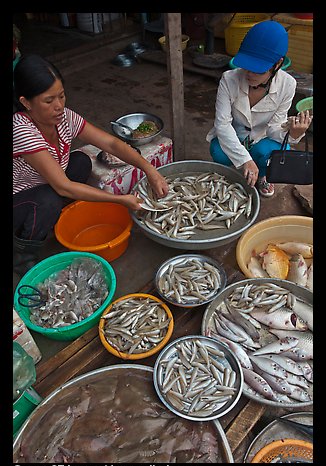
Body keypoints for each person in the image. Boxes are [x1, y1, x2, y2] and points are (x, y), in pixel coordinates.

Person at [13, 54, 169, 276]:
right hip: (21, 197)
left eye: (62, 96)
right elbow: (63, 186)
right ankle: (23, 255)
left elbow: (111, 143)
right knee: (49, 199)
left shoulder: (63, 117)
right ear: (26, 102)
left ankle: (57, 215)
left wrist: (149, 169)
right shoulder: (21, 129)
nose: (58, 106)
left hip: (47, 182)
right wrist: (119, 201)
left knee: (80, 162)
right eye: (49, 101)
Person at [206, 20, 312, 197]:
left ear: (277, 64)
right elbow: (222, 125)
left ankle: (262, 176)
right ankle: (225, 176)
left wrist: (294, 134)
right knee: (218, 151)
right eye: (247, 66)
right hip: (235, 133)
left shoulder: (288, 85)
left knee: (268, 153)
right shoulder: (228, 79)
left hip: (262, 137)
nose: (249, 74)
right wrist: (245, 159)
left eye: (258, 70)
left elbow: (274, 129)